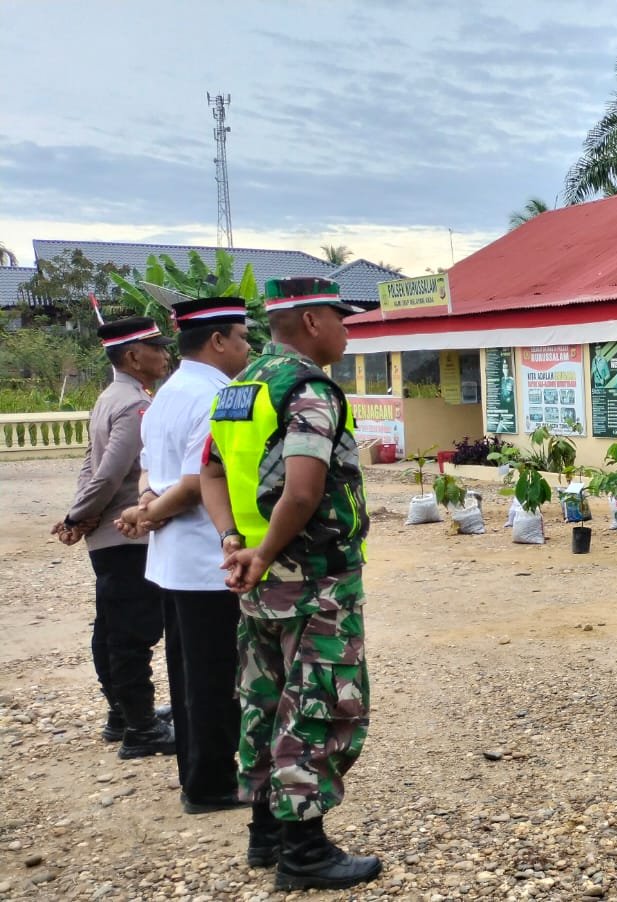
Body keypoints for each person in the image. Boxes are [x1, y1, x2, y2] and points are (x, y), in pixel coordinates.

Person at [200, 277, 381, 890]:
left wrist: (235, 544)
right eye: (340, 317)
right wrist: (267, 550)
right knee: (318, 702)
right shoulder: (307, 389)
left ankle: (265, 832)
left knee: (264, 699)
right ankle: (304, 849)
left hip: (256, 576)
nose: (346, 329)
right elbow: (304, 491)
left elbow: (211, 474)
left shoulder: (241, 387)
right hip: (312, 578)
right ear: (310, 322)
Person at [117, 297, 253, 814]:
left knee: (188, 672)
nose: (247, 347)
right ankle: (212, 783)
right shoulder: (217, 395)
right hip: (206, 556)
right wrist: (150, 512)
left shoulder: (169, 391)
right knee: (216, 677)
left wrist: (146, 506)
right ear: (217, 341)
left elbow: (154, 470)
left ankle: (197, 776)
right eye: (241, 337)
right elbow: (200, 480)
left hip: (175, 558)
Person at [52, 316, 177, 759]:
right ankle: (141, 728)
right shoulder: (135, 405)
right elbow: (111, 473)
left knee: (110, 628)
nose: (164, 354)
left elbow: (91, 466)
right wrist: (79, 514)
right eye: (156, 347)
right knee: (132, 634)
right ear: (132, 356)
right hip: (128, 534)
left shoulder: (111, 397)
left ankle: (122, 715)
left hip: (105, 534)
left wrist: (80, 516)